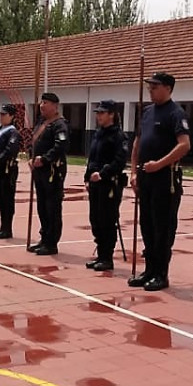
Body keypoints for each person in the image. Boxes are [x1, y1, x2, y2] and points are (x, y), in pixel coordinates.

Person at [128, 72, 190, 291]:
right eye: (149, 87)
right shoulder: (146, 112)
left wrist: (160, 164)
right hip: (145, 176)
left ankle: (161, 274)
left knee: (162, 227)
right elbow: (137, 143)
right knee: (147, 225)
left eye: (155, 86)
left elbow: (184, 145)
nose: (150, 90)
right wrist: (134, 172)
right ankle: (149, 269)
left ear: (167, 88)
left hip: (165, 178)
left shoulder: (176, 113)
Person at [84, 100, 128, 271]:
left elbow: (120, 161)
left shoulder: (118, 136)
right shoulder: (98, 134)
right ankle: (101, 254)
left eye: (102, 113)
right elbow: (92, 159)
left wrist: (103, 173)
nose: (98, 116)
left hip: (109, 184)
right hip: (95, 184)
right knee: (95, 219)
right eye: (98, 113)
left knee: (107, 220)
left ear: (111, 114)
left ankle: (107, 257)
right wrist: (87, 177)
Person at [28, 92, 70, 255]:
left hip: (53, 170)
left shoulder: (60, 124)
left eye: (45, 103)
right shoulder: (41, 122)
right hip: (39, 170)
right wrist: (32, 156)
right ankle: (44, 237)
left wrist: (44, 159)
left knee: (52, 206)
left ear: (55, 106)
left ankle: (52, 242)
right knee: (42, 206)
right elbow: (35, 141)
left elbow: (61, 146)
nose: (42, 106)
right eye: (41, 103)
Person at [0, 103, 21, 239]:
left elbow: (10, 150)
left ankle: (7, 228)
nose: (1, 117)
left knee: (7, 199)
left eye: (4, 114)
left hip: (8, 168)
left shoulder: (13, 132)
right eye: (0, 114)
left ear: (11, 116)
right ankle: (2, 226)